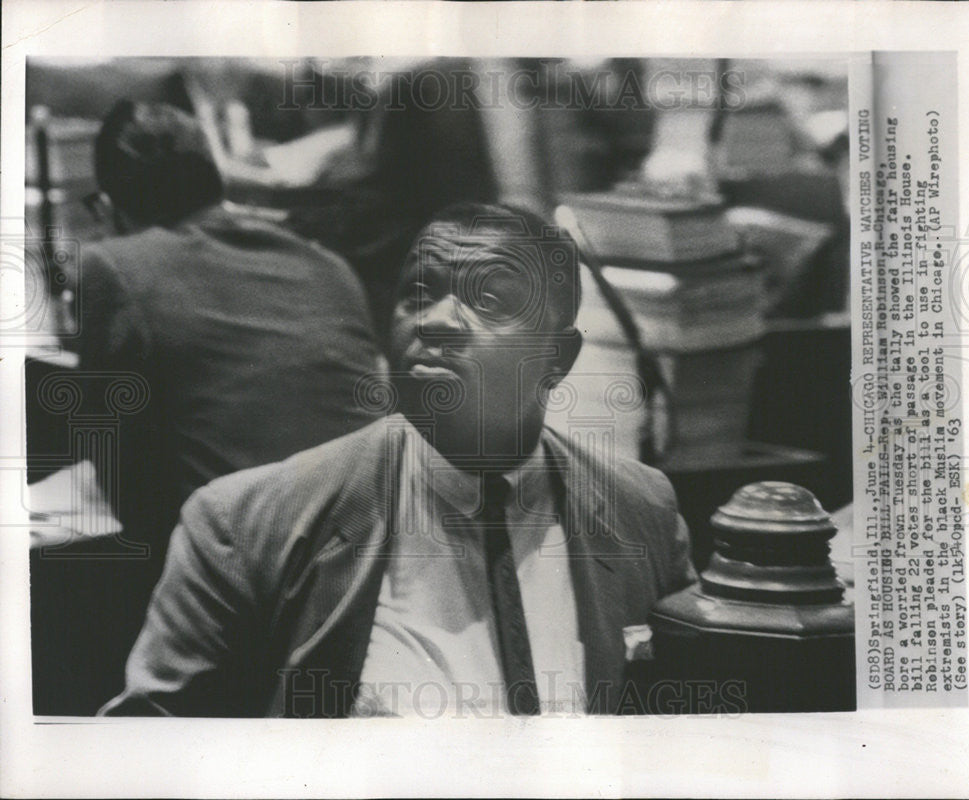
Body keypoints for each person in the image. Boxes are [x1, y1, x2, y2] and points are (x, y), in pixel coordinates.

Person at [100, 203, 696, 718]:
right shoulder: (245, 527)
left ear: (557, 358)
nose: (435, 320)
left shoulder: (641, 511)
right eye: (419, 292)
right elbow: (153, 752)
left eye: (488, 299)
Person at [71, 100, 383, 550]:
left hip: (251, 579)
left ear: (108, 208)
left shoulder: (113, 267)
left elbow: (122, 484)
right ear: (215, 182)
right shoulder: (330, 267)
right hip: (372, 561)